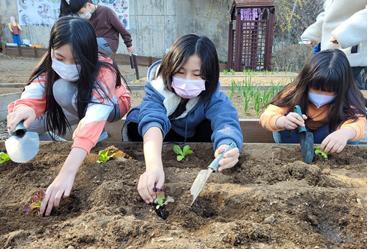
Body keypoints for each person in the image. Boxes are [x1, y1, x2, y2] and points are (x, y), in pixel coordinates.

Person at [6, 16, 131, 216]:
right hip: (78, 100)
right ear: (52, 51)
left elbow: (94, 115)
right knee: (30, 120)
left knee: (62, 89)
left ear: (89, 54)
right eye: (60, 58)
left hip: (113, 105)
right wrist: (26, 108)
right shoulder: (50, 62)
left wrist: (66, 173)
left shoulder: (104, 69)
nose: (66, 65)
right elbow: (35, 90)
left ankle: (95, 140)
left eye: (77, 60)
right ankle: (54, 142)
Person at [122, 34, 243, 204]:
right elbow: (152, 121)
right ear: (170, 68)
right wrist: (154, 167)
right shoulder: (157, 88)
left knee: (210, 126)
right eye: (180, 72)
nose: (187, 81)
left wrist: (227, 145)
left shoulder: (211, 94)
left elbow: (225, 121)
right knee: (137, 124)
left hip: (193, 135)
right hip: (164, 135)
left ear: (208, 75)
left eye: (197, 74)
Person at [260, 49, 366, 154]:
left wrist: (345, 133)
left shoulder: (348, 98)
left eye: (329, 91)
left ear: (341, 89)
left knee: (352, 135)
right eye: (315, 89)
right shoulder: (294, 92)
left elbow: (359, 122)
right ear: (306, 83)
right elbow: (267, 116)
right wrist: (282, 121)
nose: (321, 95)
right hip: (295, 137)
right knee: (282, 130)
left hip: (327, 141)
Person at [301, 0, 367, 90]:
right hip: (329, 51)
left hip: (353, 55)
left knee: (351, 98)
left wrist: (343, 35)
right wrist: (313, 34)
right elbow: (330, 14)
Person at [60, 0, 134, 58]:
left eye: (82, 12)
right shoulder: (88, 17)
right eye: (80, 14)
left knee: (85, 45)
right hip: (96, 42)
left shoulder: (106, 11)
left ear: (88, 5)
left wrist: (129, 45)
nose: (81, 15)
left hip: (109, 43)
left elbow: (122, 29)